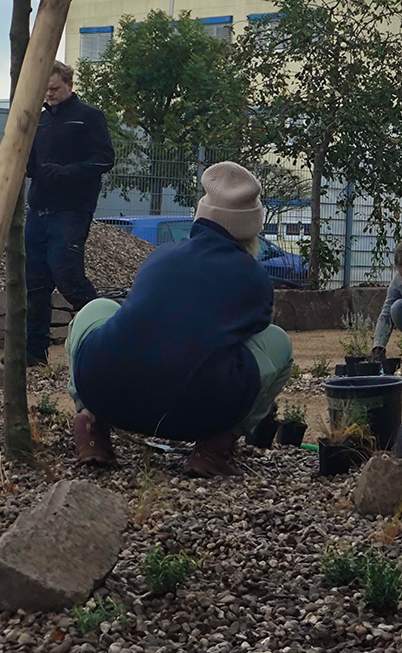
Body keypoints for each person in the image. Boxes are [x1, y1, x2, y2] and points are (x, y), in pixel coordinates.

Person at [65, 161, 294, 478]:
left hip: (107, 393)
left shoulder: (162, 254)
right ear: (250, 226)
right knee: (277, 342)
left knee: (95, 309)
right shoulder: (253, 278)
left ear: (202, 214)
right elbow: (250, 337)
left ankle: (91, 424)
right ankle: (214, 448)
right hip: (197, 414)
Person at [24, 61, 115, 365]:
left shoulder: (88, 117)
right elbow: (31, 164)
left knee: (67, 275)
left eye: (54, 89)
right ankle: (34, 352)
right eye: (44, 90)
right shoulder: (40, 121)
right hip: (38, 208)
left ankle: (110, 333)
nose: (48, 95)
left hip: (71, 209)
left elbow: (104, 159)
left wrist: (67, 173)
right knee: (35, 282)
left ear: (69, 84)